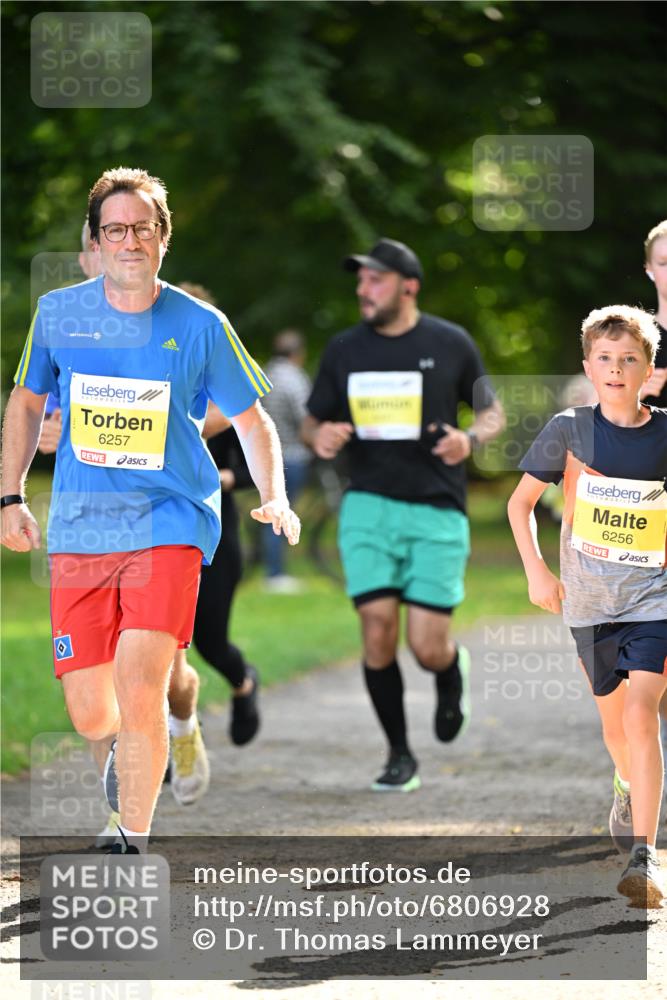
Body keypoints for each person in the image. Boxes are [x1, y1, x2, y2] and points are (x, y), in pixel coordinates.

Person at [1, 167, 300, 853]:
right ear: (97, 241)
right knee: (88, 712)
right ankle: (155, 738)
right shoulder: (58, 315)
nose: (129, 241)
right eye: (115, 230)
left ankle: (127, 834)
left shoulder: (201, 326)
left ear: (163, 238)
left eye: (142, 228)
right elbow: (24, 404)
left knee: (139, 683)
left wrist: (275, 493)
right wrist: (10, 496)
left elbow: (253, 422)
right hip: (81, 528)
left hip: (170, 522)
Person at [303, 238, 504, 792]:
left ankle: (449, 671)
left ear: (408, 286)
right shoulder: (344, 348)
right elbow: (310, 421)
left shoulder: (451, 342)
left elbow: (492, 411)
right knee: (376, 630)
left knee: (426, 647)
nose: (364, 290)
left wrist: (469, 439)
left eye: (376, 280)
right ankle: (398, 755)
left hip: (437, 509)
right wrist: (321, 434)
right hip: (366, 504)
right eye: (361, 281)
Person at [507, 305, 666, 906]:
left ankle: (644, 858)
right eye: (605, 359)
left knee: (641, 711)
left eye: (630, 359)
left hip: (654, 598)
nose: (617, 369)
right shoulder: (569, 429)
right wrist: (537, 572)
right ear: (587, 367)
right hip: (589, 604)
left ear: (649, 370)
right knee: (614, 724)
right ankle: (625, 781)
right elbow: (518, 506)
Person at [260, 329, 312, 593]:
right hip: (292, 453)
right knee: (280, 513)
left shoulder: (265, 374)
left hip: (264, 453)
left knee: (269, 510)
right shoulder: (294, 379)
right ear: (298, 353)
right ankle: (276, 574)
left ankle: (272, 569)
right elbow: (305, 418)